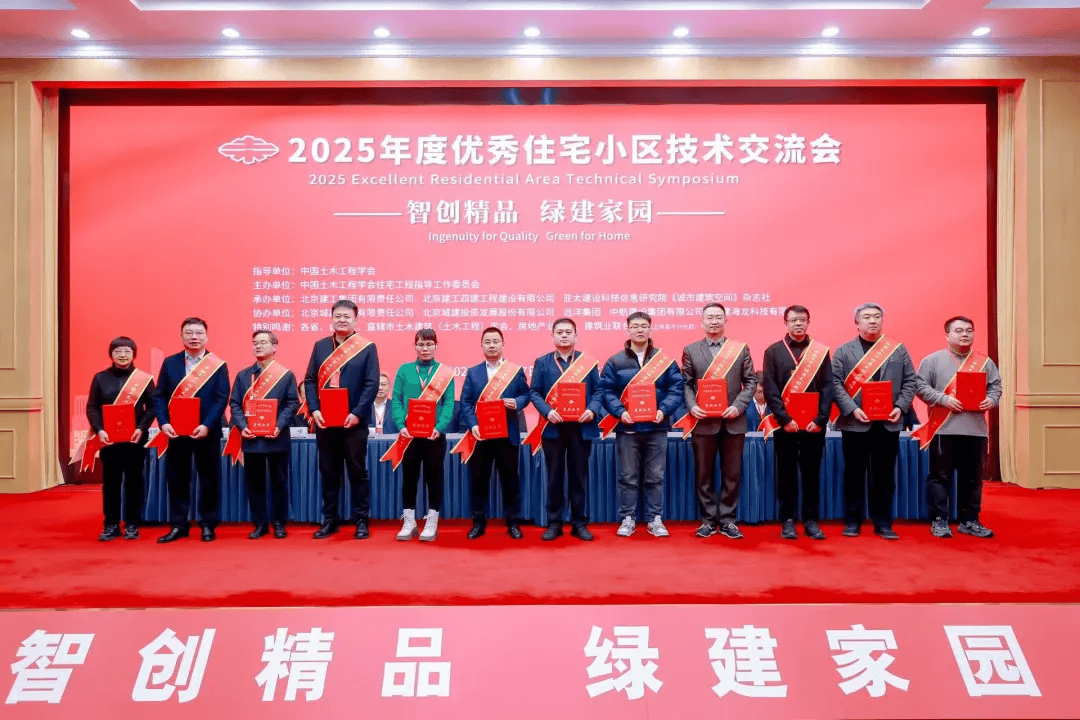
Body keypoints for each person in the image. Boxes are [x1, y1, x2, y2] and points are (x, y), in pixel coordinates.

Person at [831, 302, 917, 540]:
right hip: (855, 422)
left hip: (888, 422)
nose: (872, 321)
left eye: (877, 316)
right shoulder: (843, 351)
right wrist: (852, 409)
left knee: (884, 475)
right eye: (867, 317)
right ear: (856, 322)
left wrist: (900, 407)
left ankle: (883, 523)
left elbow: (911, 381)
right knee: (853, 474)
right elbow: (835, 383)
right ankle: (852, 521)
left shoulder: (897, 350)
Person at [914, 316, 1002, 539]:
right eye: (959, 330)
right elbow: (919, 386)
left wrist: (992, 400)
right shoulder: (932, 360)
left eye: (969, 330)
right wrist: (943, 399)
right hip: (944, 430)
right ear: (947, 335)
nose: (965, 334)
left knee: (973, 479)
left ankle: (970, 521)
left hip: (975, 431)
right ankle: (939, 521)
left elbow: (995, 387)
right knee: (940, 477)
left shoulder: (985, 362)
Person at [600, 311, 684, 538]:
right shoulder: (615, 361)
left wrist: (663, 410)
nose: (639, 329)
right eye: (635, 326)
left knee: (655, 476)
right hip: (627, 429)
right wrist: (620, 412)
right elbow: (606, 391)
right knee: (628, 476)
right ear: (627, 329)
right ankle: (627, 518)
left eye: (644, 326)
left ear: (650, 329)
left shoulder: (664, 361)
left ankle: (655, 519)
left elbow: (676, 388)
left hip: (657, 428)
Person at [303, 299, 380, 540]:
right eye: (338, 316)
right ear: (332, 318)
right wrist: (314, 409)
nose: (342, 320)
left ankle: (361, 520)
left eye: (347, 316)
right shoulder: (321, 346)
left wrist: (357, 413)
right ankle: (330, 520)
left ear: (356, 320)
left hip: (354, 423)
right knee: (329, 473)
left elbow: (371, 384)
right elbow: (310, 380)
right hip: (325, 423)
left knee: (358, 473)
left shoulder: (367, 347)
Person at [679, 303, 756, 540]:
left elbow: (750, 382)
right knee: (704, 474)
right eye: (710, 317)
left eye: (718, 317)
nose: (714, 321)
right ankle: (708, 520)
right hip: (703, 422)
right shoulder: (691, 350)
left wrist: (738, 406)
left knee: (732, 474)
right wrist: (692, 406)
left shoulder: (740, 349)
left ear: (725, 321)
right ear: (701, 321)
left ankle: (728, 520)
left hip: (734, 421)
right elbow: (686, 383)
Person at [153, 317, 230, 543]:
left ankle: (208, 525)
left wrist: (207, 425)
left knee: (209, 479)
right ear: (181, 336)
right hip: (176, 432)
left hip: (207, 432)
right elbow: (160, 396)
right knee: (177, 479)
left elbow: (221, 398)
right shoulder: (170, 363)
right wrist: (163, 422)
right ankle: (179, 525)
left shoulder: (217, 365)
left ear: (206, 336)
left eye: (198, 333)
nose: (194, 337)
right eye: (189, 333)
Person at [529, 318, 604, 541]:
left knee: (578, 477)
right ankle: (554, 522)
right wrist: (547, 411)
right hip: (553, 428)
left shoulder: (587, 363)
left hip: (581, 427)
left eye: (568, 332)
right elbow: (534, 392)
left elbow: (599, 391)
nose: (564, 335)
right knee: (554, 477)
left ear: (576, 336)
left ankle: (579, 522)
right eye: (559, 332)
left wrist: (592, 409)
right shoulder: (542, 362)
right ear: (552, 336)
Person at [761, 305, 832, 540]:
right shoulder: (773, 351)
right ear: (786, 323)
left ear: (808, 322)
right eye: (793, 320)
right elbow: (770, 388)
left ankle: (811, 520)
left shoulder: (820, 352)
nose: (798, 323)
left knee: (812, 473)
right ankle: (788, 520)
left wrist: (821, 419)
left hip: (814, 425)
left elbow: (827, 386)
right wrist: (784, 419)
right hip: (785, 425)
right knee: (786, 473)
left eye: (802, 320)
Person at [458, 327, 531, 539]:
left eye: (495, 341)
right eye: (488, 342)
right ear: (481, 346)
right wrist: (473, 425)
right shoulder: (473, 372)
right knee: (479, 481)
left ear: (503, 344)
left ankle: (513, 522)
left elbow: (526, 395)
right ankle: (478, 523)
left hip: (507, 435)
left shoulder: (514, 371)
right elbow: (465, 402)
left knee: (510, 481)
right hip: (480, 436)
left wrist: (516, 402)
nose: (492, 345)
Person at [228, 330, 300, 540]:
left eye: (263, 342)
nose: (258, 346)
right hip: (251, 437)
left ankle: (279, 523)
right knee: (255, 483)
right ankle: (260, 523)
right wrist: (242, 426)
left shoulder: (285, 375)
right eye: (255, 343)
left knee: (279, 482)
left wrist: (279, 425)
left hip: (277, 436)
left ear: (274, 347)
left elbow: (292, 403)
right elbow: (235, 404)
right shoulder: (243, 375)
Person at [85, 336, 155, 541]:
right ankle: (111, 524)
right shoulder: (100, 378)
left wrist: (142, 428)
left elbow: (153, 407)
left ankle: (132, 524)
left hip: (134, 440)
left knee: (134, 483)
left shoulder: (144, 379)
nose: (122, 355)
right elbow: (92, 407)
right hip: (109, 441)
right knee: (111, 484)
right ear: (111, 354)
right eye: (117, 351)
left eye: (127, 351)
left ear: (133, 354)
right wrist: (99, 430)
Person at [391, 328, 455, 542]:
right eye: (420, 344)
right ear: (415, 346)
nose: (425, 348)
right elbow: (396, 399)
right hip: (409, 435)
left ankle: (432, 521)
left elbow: (449, 403)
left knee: (434, 478)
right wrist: (401, 425)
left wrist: (440, 426)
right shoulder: (405, 370)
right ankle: (409, 522)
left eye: (429, 344)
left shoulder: (444, 373)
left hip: (434, 436)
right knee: (409, 478)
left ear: (436, 346)